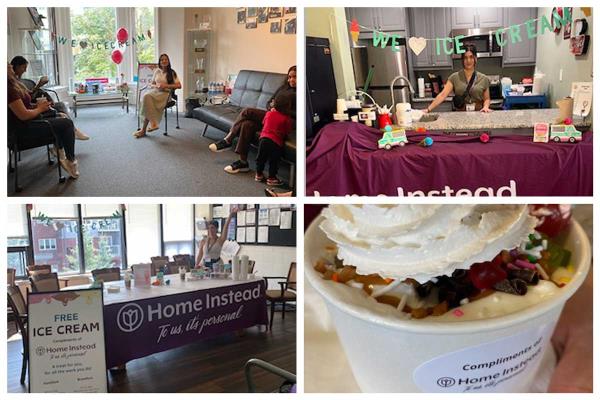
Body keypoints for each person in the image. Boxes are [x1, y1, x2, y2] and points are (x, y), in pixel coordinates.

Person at [209, 65, 296, 174]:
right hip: (271, 116)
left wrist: (280, 109)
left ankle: (228, 140)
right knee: (247, 124)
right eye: (289, 77)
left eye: (295, 77)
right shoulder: (283, 87)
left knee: (247, 111)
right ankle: (243, 162)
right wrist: (271, 107)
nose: (291, 80)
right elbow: (269, 102)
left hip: (284, 121)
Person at [7, 63, 80, 178]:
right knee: (66, 123)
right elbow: (24, 115)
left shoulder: (12, 86)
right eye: (8, 67)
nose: (11, 67)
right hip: (23, 131)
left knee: (61, 116)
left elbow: (23, 107)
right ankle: (70, 160)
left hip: (28, 123)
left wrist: (37, 106)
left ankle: (60, 150)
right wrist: (40, 108)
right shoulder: (8, 90)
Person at [10, 55, 90, 140]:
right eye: (23, 68)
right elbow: (26, 104)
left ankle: (70, 132)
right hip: (31, 111)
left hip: (33, 106)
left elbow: (29, 95)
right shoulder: (13, 85)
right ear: (17, 66)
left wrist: (39, 85)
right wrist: (38, 106)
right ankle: (71, 131)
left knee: (60, 106)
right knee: (60, 112)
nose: (25, 70)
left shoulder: (19, 82)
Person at [424, 44, 492, 113]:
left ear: (475, 58)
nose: (468, 61)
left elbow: (487, 99)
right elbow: (442, 95)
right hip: (460, 115)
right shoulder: (454, 77)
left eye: (471, 57)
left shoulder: (484, 78)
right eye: (465, 58)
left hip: (478, 115)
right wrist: (428, 109)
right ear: (462, 60)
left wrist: (486, 107)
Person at [133, 53, 182, 138]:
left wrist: (166, 86)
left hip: (166, 94)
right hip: (156, 91)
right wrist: (157, 86)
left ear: (168, 61)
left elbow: (179, 85)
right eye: (162, 59)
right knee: (146, 97)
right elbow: (152, 84)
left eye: (165, 59)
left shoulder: (172, 72)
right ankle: (153, 123)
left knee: (148, 100)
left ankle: (144, 130)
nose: (164, 61)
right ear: (159, 61)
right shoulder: (157, 71)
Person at [254, 91, 294, 186]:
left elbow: (264, 123)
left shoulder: (268, 114)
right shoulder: (286, 118)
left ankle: (258, 174)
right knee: (274, 161)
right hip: (276, 142)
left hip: (263, 139)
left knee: (260, 158)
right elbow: (287, 131)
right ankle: (272, 178)